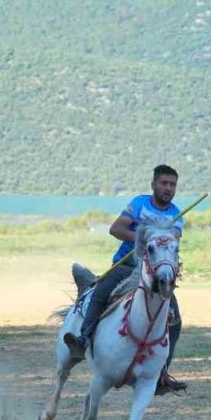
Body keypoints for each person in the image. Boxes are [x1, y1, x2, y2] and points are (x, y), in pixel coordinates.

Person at [64, 164, 188, 395]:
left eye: (172, 184)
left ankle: (162, 372)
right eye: (164, 183)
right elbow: (116, 228)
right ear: (153, 185)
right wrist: (144, 238)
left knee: (176, 320)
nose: (168, 188)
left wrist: (160, 243)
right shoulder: (139, 204)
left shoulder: (176, 214)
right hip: (127, 264)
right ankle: (83, 340)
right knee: (100, 293)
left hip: (155, 272)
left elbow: (174, 240)